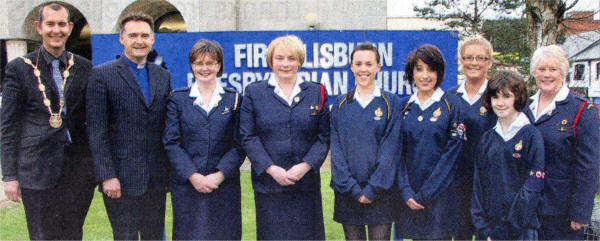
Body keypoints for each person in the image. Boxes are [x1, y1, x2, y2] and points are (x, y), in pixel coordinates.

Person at [0, 2, 95, 240]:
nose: (56, 30)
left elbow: (92, 121)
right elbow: (8, 127)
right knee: (42, 236)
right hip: (36, 170)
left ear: (70, 27)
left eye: (62, 24)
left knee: (73, 234)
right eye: (50, 24)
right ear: (38, 27)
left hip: (77, 172)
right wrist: (9, 176)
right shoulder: (19, 69)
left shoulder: (84, 67)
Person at [86, 12, 172, 240]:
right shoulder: (102, 75)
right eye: (133, 35)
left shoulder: (162, 75)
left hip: (156, 179)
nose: (139, 41)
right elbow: (97, 131)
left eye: (145, 35)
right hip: (120, 180)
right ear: (121, 38)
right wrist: (107, 176)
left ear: (152, 39)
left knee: (155, 236)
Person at [239, 35, 330, 240]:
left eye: (291, 58)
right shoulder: (254, 92)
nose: (285, 63)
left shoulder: (317, 92)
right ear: (271, 60)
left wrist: (304, 166)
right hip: (270, 186)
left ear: (300, 61)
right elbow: (248, 136)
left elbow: (323, 137)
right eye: (280, 58)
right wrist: (272, 169)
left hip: (305, 185)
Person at [163, 39, 245, 240]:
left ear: (219, 66)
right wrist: (193, 176)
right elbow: (171, 142)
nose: (204, 68)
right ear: (192, 66)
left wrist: (219, 175)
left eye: (210, 63)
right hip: (188, 187)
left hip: (224, 186)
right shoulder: (178, 99)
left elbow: (240, 143)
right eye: (199, 63)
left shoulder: (234, 99)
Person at [523, 45, 600, 240]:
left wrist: (580, 212)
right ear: (534, 73)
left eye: (553, 69)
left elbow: (588, 166)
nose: (546, 75)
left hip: (562, 212)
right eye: (541, 69)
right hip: (526, 206)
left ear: (564, 72)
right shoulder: (524, 108)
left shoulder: (583, 110)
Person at [330, 42, 401, 240]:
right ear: (351, 66)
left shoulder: (390, 102)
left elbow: (390, 150)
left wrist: (372, 189)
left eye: (369, 64)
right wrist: (353, 189)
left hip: (380, 192)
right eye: (358, 63)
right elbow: (337, 152)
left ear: (379, 66)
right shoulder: (340, 104)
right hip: (348, 192)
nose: (363, 69)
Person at [395, 44, 466, 240]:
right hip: (409, 197)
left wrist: (425, 193)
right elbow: (397, 154)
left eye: (431, 69)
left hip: (440, 198)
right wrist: (406, 191)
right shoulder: (403, 107)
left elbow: (452, 156)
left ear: (439, 72)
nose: (425, 75)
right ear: (411, 73)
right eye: (419, 69)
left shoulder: (452, 105)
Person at [471, 70, 545, 240]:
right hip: (488, 232)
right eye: (495, 97)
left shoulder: (531, 136)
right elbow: (477, 187)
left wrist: (504, 232)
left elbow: (532, 189)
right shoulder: (487, 138)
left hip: (520, 231)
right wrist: (483, 228)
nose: (500, 103)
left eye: (506, 96)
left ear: (517, 98)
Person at [447, 35, 497, 240]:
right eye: (468, 57)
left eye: (480, 58)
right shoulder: (450, 96)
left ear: (489, 62)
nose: (474, 63)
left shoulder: (499, 95)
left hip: (490, 185)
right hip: (457, 187)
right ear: (461, 61)